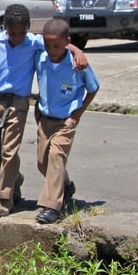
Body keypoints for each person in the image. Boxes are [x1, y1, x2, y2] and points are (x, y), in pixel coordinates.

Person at [0, 4, 87, 217]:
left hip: (18, 102)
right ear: (5, 27)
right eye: (12, 32)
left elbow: (59, 44)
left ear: (28, 27)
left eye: (21, 32)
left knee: (9, 150)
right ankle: (14, 178)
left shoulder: (34, 43)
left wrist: (76, 50)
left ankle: (5, 199)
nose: (17, 37)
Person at [33, 18, 100, 224]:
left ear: (66, 41)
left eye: (56, 45)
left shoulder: (77, 64)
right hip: (45, 118)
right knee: (43, 163)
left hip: (66, 121)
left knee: (55, 158)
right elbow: (31, 40)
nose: (51, 49)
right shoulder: (40, 56)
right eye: (48, 45)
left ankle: (52, 207)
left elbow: (93, 88)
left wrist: (76, 116)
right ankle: (66, 185)